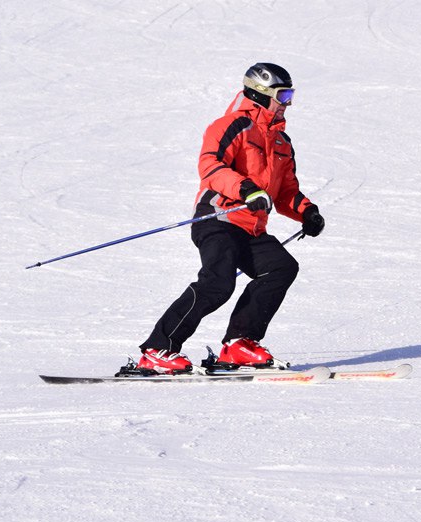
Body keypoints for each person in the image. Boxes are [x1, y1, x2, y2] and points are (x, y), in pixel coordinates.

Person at [131, 62, 325, 375]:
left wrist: (307, 212)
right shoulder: (231, 126)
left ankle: (240, 344)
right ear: (260, 93)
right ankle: (158, 349)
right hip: (218, 218)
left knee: (280, 267)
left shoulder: (280, 142)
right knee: (218, 283)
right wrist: (245, 188)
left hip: (251, 227)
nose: (288, 102)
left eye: (291, 95)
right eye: (283, 94)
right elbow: (210, 166)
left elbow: (286, 190)